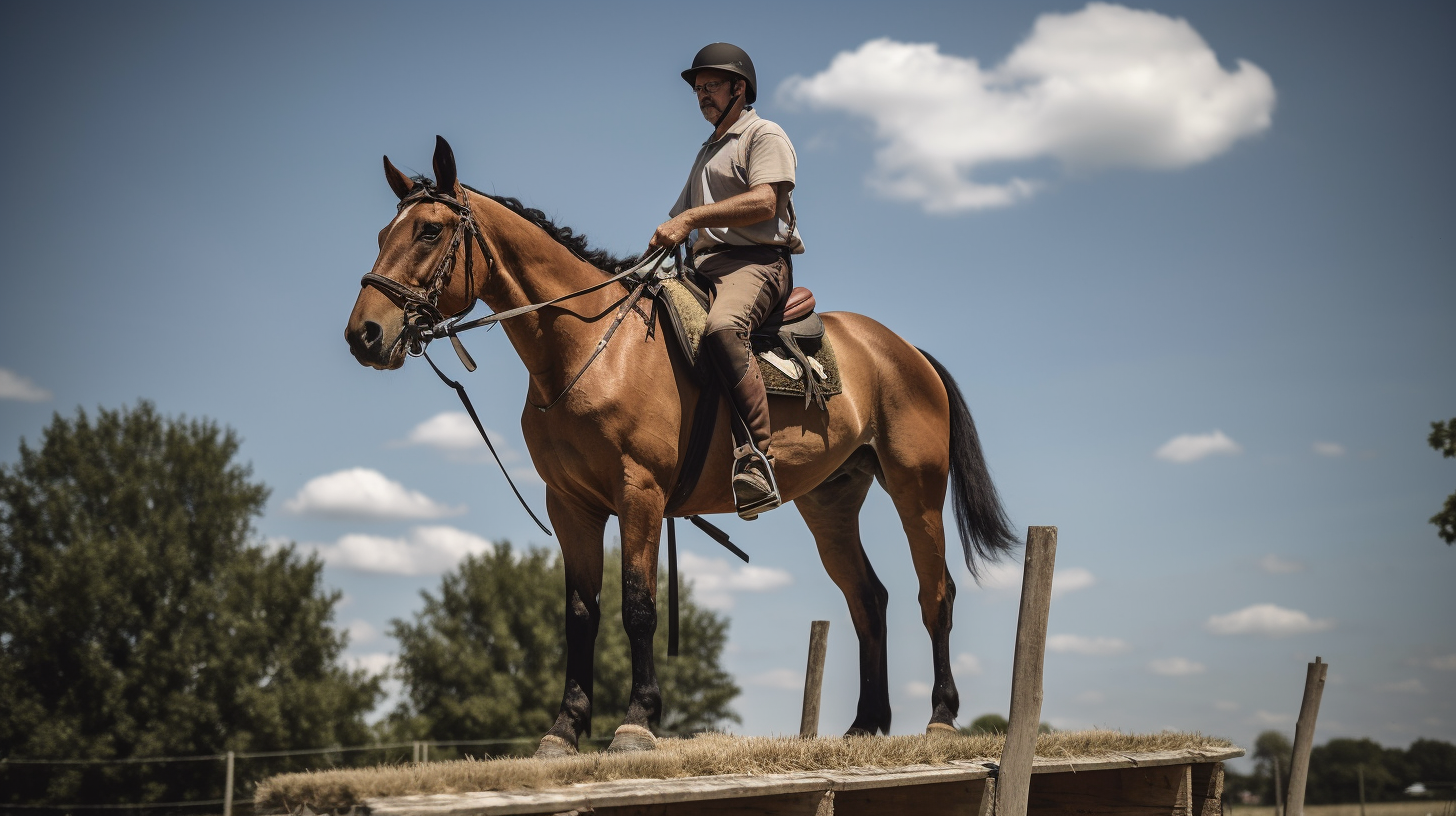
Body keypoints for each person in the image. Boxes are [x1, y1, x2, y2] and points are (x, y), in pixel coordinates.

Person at [649, 42, 804, 520]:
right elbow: (681, 221)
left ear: (740, 88)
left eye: (711, 86)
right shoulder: (708, 151)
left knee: (721, 329)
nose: (702, 96)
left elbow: (764, 203)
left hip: (757, 263)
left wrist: (691, 217)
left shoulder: (763, 134)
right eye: (698, 89)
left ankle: (758, 457)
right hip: (704, 266)